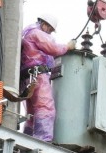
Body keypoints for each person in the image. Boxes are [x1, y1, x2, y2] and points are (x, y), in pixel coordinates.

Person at [20, 13, 76, 142]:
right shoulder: (36, 33)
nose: (50, 33)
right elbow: (53, 48)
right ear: (44, 24)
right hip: (38, 76)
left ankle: (27, 139)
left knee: (32, 113)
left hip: (27, 78)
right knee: (45, 107)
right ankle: (42, 140)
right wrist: (68, 46)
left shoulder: (27, 33)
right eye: (50, 29)